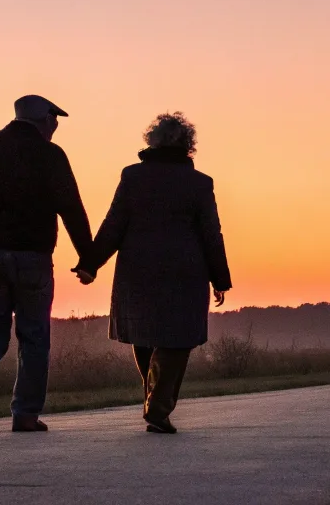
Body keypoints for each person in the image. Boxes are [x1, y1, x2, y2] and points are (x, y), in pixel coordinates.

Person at [76, 112, 232, 433]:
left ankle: (155, 402)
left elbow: (113, 226)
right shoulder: (200, 183)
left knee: (146, 335)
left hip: (138, 272)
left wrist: (91, 263)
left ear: (152, 141)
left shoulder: (132, 177)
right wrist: (220, 278)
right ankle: (158, 405)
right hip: (184, 274)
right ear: (188, 145)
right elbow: (211, 234)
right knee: (176, 339)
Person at [0, 94, 93, 434]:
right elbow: (71, 207)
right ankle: (25, 414)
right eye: (54, 120)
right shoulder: (50, 155)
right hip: (32, 256)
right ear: (44, 120)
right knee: (34, 335)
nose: (55, 126)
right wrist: (87, 258)